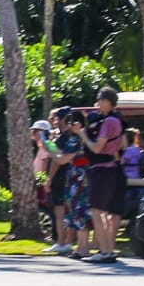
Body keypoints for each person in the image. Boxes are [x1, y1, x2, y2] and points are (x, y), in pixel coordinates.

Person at [81, 88, 126, 263]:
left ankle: (105, 251)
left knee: (97, 211)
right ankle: (107, 250)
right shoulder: (115, 121)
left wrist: (82, 134)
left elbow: (97, 148)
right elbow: (121, 145)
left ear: (108, 101)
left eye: (100, 99)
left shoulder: (109, 122)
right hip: (108, 169)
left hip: (102, 169)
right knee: (102, 213)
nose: (98, 103)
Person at [49, 108, 93, 259]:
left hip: (80, 177)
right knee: (76, 211)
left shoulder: (77, 139)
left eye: (71, 123)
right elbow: (60, 155)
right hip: (76, 176)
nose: (68, 126)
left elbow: (61, 159)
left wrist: (48, 144)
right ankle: (81, 246)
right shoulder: (78, 137)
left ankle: (83, 248)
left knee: (79, 211)